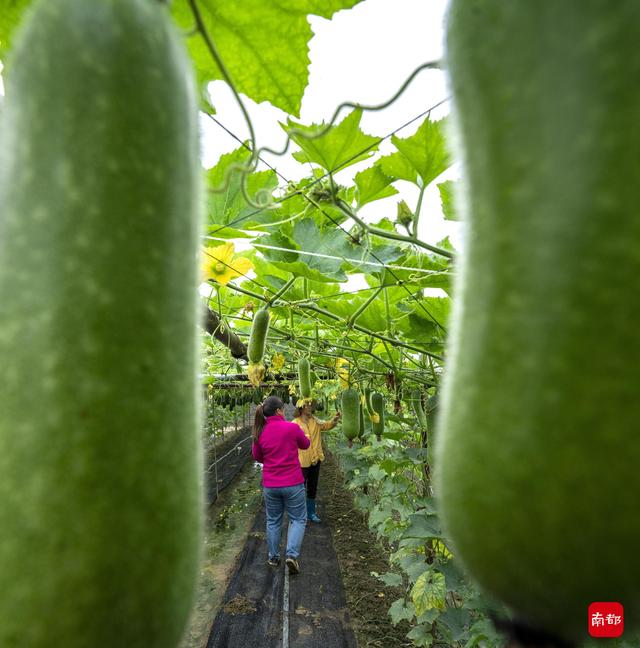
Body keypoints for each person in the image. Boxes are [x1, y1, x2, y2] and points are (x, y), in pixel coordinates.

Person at [251, 395, 310, 575]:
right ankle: (291, 555)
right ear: (278, 411)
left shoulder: (259, 431)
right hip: (293, 483)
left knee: (273, 520)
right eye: (283, 408)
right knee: (298, 519)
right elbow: (306, 444)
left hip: (271, 485)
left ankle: (273, 557)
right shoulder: (292, 428)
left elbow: (258, 457)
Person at [292, 401, 341, 523]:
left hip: (316, 459)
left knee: (312, 487)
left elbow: (327, 425)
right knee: (299, 488)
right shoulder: (295, 424)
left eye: (311, 405)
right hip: (301, 462)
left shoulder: (315, 421)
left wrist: (334, 420)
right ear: (301, 407)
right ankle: (299, 514)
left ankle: (311, 513)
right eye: (307, 405)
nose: (310, 407)